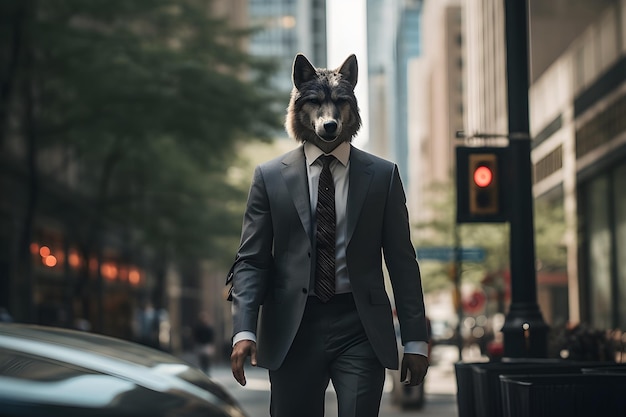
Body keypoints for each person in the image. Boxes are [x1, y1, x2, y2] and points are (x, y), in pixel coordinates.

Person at [229, 53, 429, 417]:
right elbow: (252, 261)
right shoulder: (269, 177)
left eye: (339, 103)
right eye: (316, 103)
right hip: (292, 328)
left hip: (360, 327)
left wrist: (416, 340)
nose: (329, 115)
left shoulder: (383, 177)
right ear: (299, 108)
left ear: (351, 111)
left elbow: (402, 261)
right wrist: (244, 330)